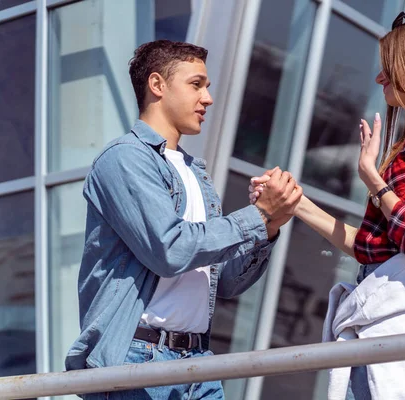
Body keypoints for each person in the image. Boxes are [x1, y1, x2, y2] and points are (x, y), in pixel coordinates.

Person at [250, 12, 405, 399]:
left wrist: (373, 178)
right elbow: (369, 246)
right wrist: (295, 202)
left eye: (388, 69)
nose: (379, 78)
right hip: (385, 317)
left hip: (398, 323)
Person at [65, 40, 302, 399]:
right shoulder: (125, 160)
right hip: (137, 362)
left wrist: (269, 226)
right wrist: (257, 214)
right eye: (197, 84)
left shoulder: (196, 174)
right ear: (157, 85)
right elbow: (170, 249)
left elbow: (225, 284)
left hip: (198, 363)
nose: (207, 98)